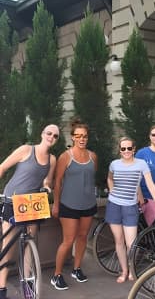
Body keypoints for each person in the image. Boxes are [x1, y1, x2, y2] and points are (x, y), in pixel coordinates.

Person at [0, 124, 59, 299]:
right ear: (42, 134)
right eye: (49, 133)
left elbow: (47, 181)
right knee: (8, 248)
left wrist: (47, 187)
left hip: (31, 205)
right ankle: (2, 288)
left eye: (55, 136)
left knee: (29, 243)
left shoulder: (52, 159)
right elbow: (2, 167)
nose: (51, 137)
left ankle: (28, 285)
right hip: (12, 201)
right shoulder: (26, 150)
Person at [105, 137, 155, 283]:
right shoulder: (114, 164)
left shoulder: (141, 164)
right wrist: (112, 191)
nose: (126, 151)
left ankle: (132, 270)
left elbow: (151, 185)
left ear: (134, 149)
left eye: (129, 148)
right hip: (114, 205)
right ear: (119, 150)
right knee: (119, 241)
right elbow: (109, 178)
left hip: (130, 207)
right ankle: (124, 271)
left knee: (131, 243)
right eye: (123, 148)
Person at [51, 120, 97, 291]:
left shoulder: (93, 156)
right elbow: (57, 181)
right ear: (72, 137)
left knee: (83, 237)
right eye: (78, 136)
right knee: (68, 241)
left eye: (84, 136)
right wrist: (56, 204)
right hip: (69, 205)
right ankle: (57, 275)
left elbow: (90, 180)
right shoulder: (66, 156)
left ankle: (76, 269)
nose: (82, 139)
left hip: (88, 205)